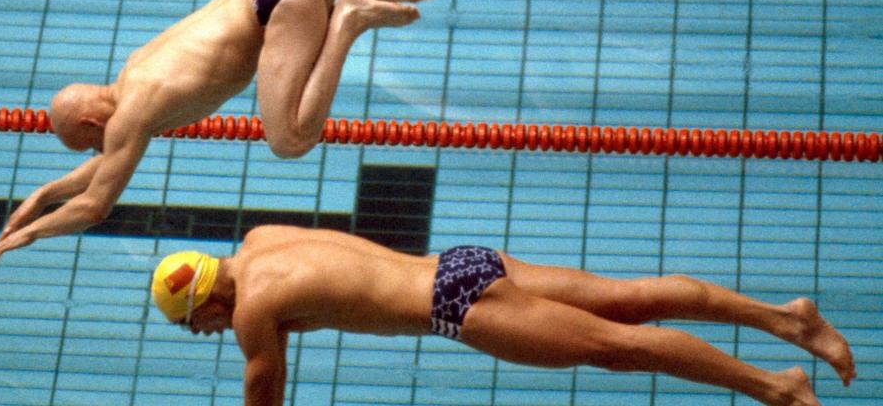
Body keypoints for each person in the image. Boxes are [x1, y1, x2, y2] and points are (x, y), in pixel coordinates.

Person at [0, 0, 439, 261]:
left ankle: (350, 18)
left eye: (89, 143)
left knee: (290, 139)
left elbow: (96, 204)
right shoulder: (135, 71)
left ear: (90, 120)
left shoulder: (130, 116)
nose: (99, 153)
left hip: (283, 2)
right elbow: (104, 167)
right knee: (294, 79)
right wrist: (41, 196)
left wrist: (31, 232)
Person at [150, 225, 857, 406]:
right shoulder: (260, 243)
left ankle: (777, 387)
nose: (208, 333)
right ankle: (786, 319)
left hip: (454, 304)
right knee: (634, 296)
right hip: (462, 261)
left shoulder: (254, 311)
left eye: (195, 325)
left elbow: (260, 391)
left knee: (618, 347)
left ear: (208, 302)